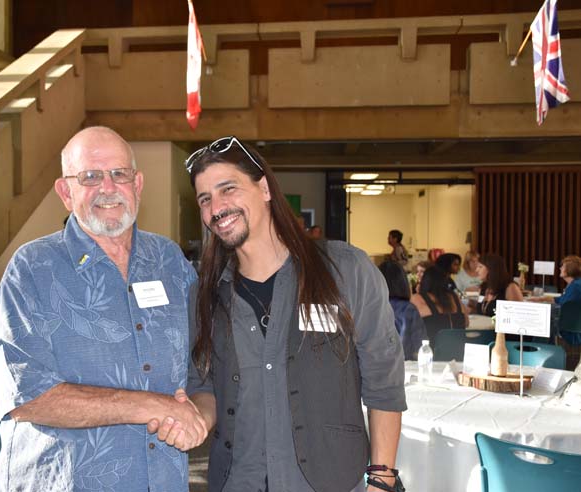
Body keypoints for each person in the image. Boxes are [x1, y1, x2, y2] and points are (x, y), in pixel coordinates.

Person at [176, 136, 406, 492]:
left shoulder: (345, 270)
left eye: (228, 189)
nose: (216, 207)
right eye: (205, 199)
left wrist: (382, 478)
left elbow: (384, 379)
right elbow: (202, 383)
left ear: (264, 188)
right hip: (238, 480)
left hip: (331, 481)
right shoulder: (203, 295)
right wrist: (197, 417)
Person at [0, 127, 209, 492]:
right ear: (65, 191)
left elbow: (203, 369)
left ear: (137, 184)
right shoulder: (32, 269)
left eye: (119, 174)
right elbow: (29, 395)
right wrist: (154, 407)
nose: (108, 188)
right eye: (90, 176)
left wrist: (196, 419)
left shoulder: (169, 261)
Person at [379, 260, 427, 360]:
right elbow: (420, 346)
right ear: (403, 282)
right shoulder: (409, 309)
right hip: (403, 366)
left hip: (373, 368)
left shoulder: (368, 309)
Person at [410, 266, 468, 345]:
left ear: (424, 281)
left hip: (430, 351)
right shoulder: (454, 297)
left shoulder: (417, 299)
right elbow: (466, 322)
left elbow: (409, 327)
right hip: (459, 351)